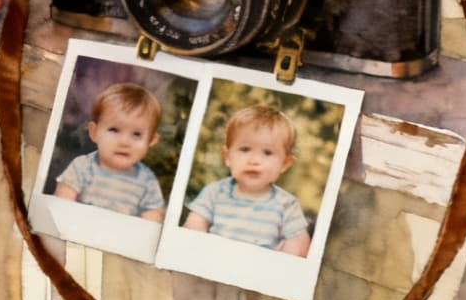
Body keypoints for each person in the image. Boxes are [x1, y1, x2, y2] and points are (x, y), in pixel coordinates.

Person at [183, 104, 311, 256]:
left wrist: (285, 257)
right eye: (245, 149)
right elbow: (194, 227)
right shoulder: (214, 192)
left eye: (267, 152)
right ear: (227, 156)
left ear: (284, 163)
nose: (254, 160)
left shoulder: (287, 205)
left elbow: (298, 242)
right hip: (214, 260)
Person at [53, 82, 166, 221]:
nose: (124, 142)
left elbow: (152, 222)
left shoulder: (147, 181)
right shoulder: (82, 167)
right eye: (114, 130)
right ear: (94, 132)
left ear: (151, 140)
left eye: (136, 134)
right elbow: (60, 208)